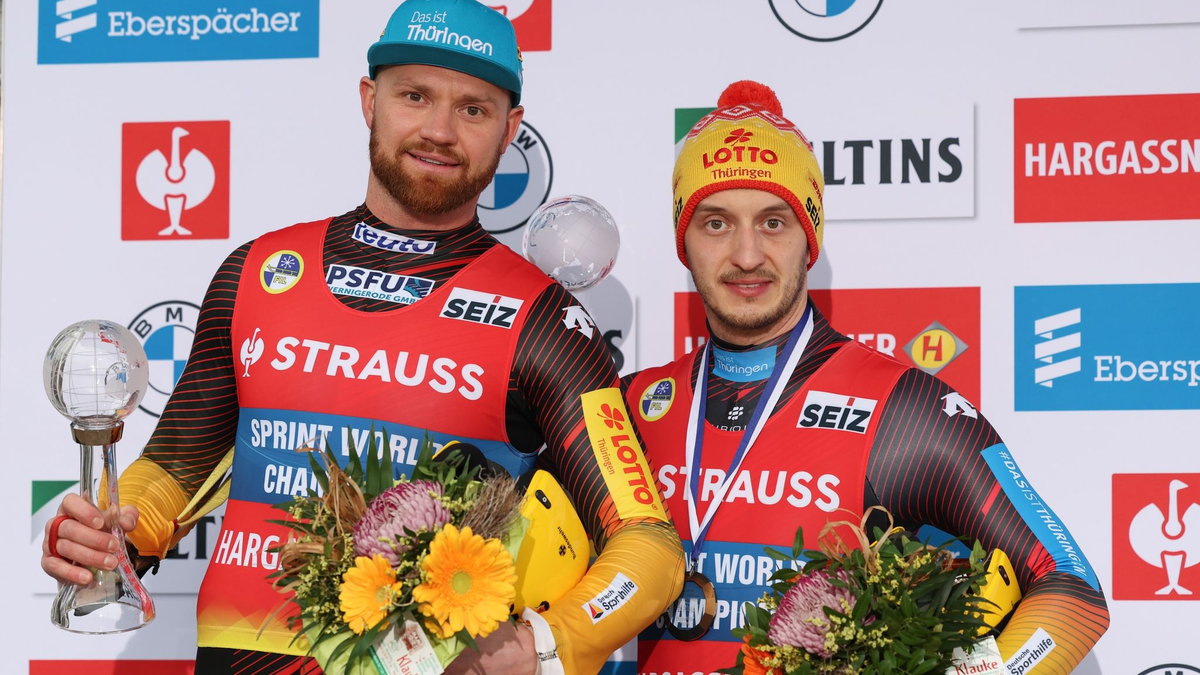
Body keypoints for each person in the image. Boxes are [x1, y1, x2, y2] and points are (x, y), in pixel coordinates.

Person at [39, 1, 684, 674]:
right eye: (415, 96)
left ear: (509, 130)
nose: (439, 130)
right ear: (370, 99)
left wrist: (546, 647)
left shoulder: (544, 319)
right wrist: (110, 532)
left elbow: (649, 545)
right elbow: (172, 473)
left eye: (473, 109)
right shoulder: (256, 273)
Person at [622, 80, 1109, 675]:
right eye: (716, 223)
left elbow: (1072, 586)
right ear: (684, 242)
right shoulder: (628, 405)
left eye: (773, 222)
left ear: (809, 239)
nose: (746, 255)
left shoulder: (902, 407)